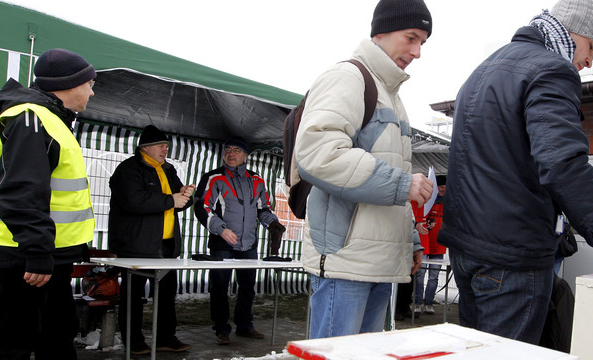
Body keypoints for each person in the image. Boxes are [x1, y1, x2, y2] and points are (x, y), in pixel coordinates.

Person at [437, 0, 593, 344]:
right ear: (575, 34)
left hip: (467, 247)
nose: (588, 61)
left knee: (475, 352)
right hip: (512, 255)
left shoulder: (484, 69)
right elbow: (563, 164)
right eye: (592, 48)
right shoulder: (551, 69)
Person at [294, 0, 434, 339]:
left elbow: (390, 173)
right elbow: (318, 153)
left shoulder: (392, 97)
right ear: (381, 32)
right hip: (345, 261)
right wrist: (403, 184)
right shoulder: (347, 77)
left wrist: (411, 240)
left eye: (423, 43)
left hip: (379, 261)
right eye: (411, 38)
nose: (417, 52)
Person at [0, 48, 96, 360]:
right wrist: (37, 253)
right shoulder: (31, 119)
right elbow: (23, 192)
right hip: (30, 258)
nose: (91, 91)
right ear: (70, 84)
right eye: (89, 84)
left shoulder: (50, 119)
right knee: (15, 340)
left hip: (48, 255)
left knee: (58, 332)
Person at [108, 124, 196, 355]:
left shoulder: (169, 169)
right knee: (133, 295)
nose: (165, 150)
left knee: (167, 293)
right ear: (144, 148)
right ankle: (133, 340)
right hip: (135, 244)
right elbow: (133, 200)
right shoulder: (129, 169)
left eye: (167, 146)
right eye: (160, 146)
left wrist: (186, 195)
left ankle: (166, 337)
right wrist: (171, 200)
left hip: (165, 244)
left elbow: (177, 201)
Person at [193, 137, 286, 345]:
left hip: (249, 245)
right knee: (219, 286)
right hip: (221, 244)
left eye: (236, 150)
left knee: (247, 287)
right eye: (228, 150)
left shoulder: (256, 180)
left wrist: (272, 224)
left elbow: (263, 209)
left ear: (245, 155)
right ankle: (221, 328)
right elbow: (202, 207)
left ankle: (244, 326)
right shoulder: (214, 178)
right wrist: (221, 230)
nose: (231, 154)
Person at [414, 175, 447, 315]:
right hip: (425, 244)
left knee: (434, 277)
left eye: (445, 187)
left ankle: (428, 303)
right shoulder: (426, 202)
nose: (443, 190)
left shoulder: (448, 203)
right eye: (440, 187)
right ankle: (416, 303)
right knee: (420, 275)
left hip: (439, 246)